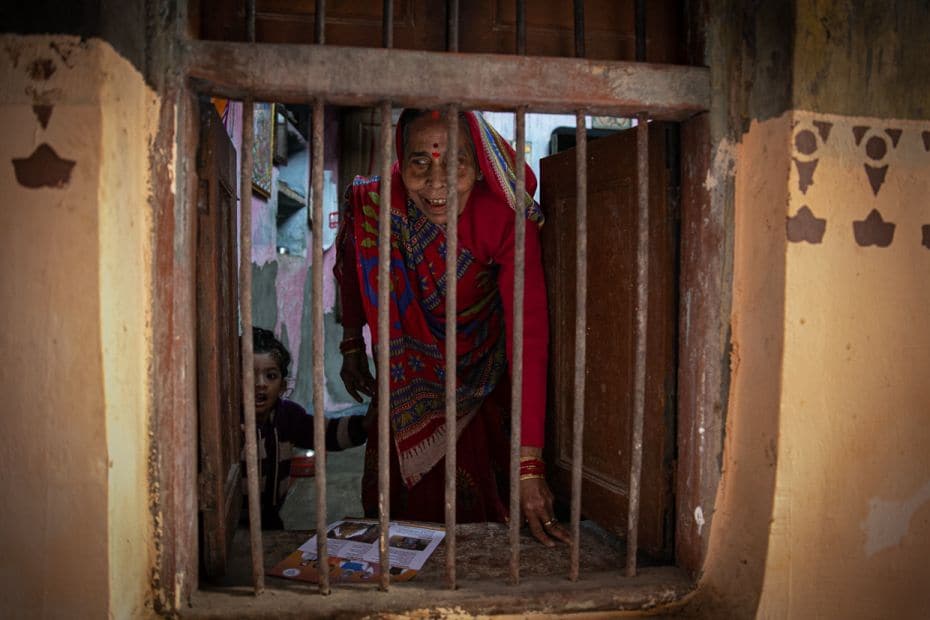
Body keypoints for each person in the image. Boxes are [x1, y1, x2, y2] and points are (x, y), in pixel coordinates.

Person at [334, 109, 570, 546]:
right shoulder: (376, 203)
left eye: (454, 162)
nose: (436, 181)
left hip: (480, 375)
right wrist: (351, 346)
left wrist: (529, 464)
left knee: (479, 511)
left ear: (478, 166)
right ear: (401, 162)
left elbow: (529, 334)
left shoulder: (504, 219)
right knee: (400, 513)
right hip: (406, 379)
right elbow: (353, 268)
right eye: (419, 162)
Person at [244, 326, 369, 529]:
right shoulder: (227, 425)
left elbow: (325, 434)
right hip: (233, 526)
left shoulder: (287, 416)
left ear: (283, 385)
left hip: (271, 520)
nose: (260, 384)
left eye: (271, 376)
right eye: (248, 374)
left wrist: (364, 425)